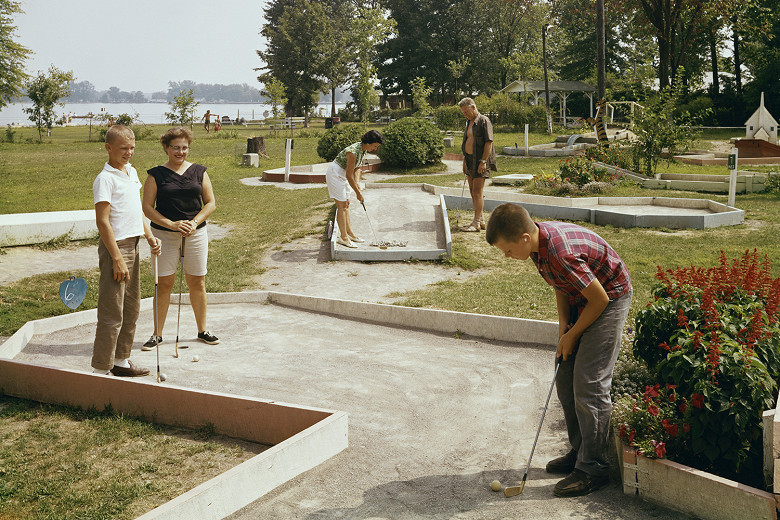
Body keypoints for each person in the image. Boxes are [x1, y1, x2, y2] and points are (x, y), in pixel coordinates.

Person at [485, 203, 632, 497]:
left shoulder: (561, 253)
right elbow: (561, 284)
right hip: (584, 298)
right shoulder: (537, 246)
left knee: (589, 383)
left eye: (508, 250)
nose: (507, 256)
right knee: (564, 375)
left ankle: (594, 467)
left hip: (610, 298)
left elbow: (600, 300)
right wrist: (564, 325)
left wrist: (575, 333)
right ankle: (580, 452)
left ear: (524, 238)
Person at [92, 125, 162, 377]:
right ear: (108, 148)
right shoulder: (105, 179)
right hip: (116, 248)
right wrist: (117, 258)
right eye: (123, 148)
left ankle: (121, 361)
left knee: (131, 307)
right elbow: (103, 221)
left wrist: (150, 235)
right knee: (112, 310)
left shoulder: (131, 172)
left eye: (132, 148)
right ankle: (102, 368)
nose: (129, 153)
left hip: (134, 244)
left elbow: (136, 210)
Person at [141, 126, 219, 349]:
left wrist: (194, 223)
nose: (180, 152)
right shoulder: (155, 174)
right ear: (166, 148)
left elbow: (210, 203)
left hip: (195, 234)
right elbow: (147, 208)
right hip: (163, 235)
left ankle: (202, 330)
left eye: (184, 148)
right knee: (164, 283)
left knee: (197, 280)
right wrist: (172, 224)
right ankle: (157, 334)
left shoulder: (199, 171)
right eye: (175, 147)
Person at [326, 130, 384, 248]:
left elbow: (357, 168)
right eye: (375, 146)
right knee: (341, 206)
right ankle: (343, 238)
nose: (375, 149)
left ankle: (350, 233)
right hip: (335, 174)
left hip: (343, 175)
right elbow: (348, 174)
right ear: (368, 143)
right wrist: (358, 193)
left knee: (346, 203)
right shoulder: (353, 152)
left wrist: (357, 183)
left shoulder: (362, 150)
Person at [458, 97, 497, 232]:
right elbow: (468, 141)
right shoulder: (469, 122)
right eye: (463, 113)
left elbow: (489, 142)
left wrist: (483, 161)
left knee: (477, 192)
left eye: (466, 112)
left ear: (473, 107)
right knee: (472, 192)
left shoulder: (484, 121)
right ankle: (480, 220)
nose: (465, 114)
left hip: (480, 161)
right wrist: (464, 160)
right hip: (469, 160)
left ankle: (475, 223)